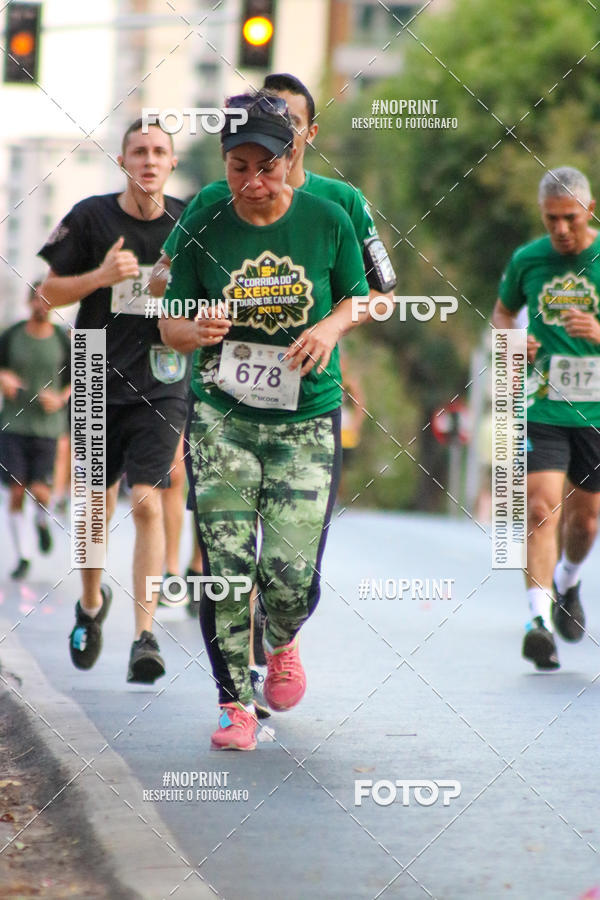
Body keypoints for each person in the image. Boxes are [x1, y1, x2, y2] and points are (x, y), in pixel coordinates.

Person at [160, 91, 370, 750]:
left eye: (267, 167)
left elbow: (359, 299)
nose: (253, 182)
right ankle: (234, 705)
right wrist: (194, 330)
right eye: (238, 167)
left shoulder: (328, 219)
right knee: (225, 566)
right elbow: (168, 324)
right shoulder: (204, 222)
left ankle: (281, 638)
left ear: (292, 155)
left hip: (306, 418)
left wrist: (328, 328)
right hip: (221, 417)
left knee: (289, 577)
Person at [38, 119, 187, 683]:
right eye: (139, 151)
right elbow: (48, 293)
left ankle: (144, 636)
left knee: (147, 500)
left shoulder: (188, 224)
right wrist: (100, 275)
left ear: (172, 163)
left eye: (159, 152)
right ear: (123, 161)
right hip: (95, 367)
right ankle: (91, 603)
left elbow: (212, 292)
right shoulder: (90, 217)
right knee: (95, 505)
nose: (149, 160)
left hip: (163, 376)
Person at [491, 166, 600, 670]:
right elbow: (502, 312)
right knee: (539, 508)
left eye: (570, 218)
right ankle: (537, 623)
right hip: (542, 404)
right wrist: (514, 342)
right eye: (551, 218)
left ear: (590, 211)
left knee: (587, 521)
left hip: (594, 411)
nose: (560, 229)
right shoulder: (527, 260)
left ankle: (567, 582)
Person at [0, 282, 70, 579]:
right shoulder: (12, 335)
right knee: (16, 490)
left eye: (48, 300)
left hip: (47, 428)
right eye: (38, 299)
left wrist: (61, 399)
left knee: (41, 491)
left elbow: (76, 380)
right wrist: (4, 378)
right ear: (29, 302)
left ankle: (42, 519)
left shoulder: (62, 340)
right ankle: (23, 556)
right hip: (13, 424)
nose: (42, 306)